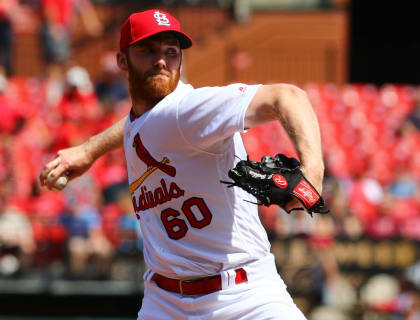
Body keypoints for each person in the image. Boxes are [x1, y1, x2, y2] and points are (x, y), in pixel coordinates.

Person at [40, 9, 325, 320]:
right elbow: (141, 123)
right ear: (123, 61)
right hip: (164, 303)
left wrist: (313, 174)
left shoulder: (188, 110)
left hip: (243, 298)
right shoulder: (148, 118)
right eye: (148, 50)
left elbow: (289, 96)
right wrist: (89, 150)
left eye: (171, 51)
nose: (161, 60)